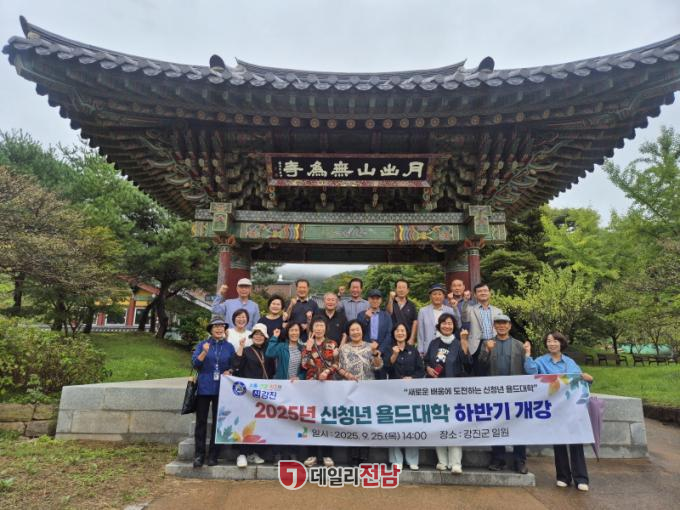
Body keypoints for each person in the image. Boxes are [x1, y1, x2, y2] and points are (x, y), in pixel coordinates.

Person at [524, 331, 594, 491]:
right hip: (554, 407)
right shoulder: (541, 361)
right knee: (559, 441)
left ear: (562, 343)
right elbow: (531, 372)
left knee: (576, 441)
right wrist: (527, 354)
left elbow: (579, 380)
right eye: (549, 341)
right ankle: (563, 476)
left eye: (555, 341)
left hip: (572, 407)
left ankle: (581, 478)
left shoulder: (570, 362)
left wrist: (589, 379)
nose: (552, 344)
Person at [478, 314, 528, 474]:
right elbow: (479, 367)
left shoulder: (519, 345)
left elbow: (527, 369)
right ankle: (498, 458)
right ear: (494, 326)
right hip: (494, 393)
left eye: (504, 323)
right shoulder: (487, 343)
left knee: (518, 426)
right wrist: (487, 351)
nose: (501, 326)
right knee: (497, 426)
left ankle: (520, 460)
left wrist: (529, 354)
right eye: (498, 323)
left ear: (509, 326)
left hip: (515, 393)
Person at [424, 313, 471, 474]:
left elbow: (467, 362)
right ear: (439, 326)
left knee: (454, 425)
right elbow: (426, 361)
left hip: (454, 391)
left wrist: (464, 341)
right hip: (436, 391)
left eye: (450, 323)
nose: (447, 326)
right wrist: (428, 368)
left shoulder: (458, 343)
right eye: (444, 323)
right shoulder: (434, 343)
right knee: (438, 424)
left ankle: (456, 462)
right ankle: (442, 461)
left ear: (454, 326)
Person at [191, 317, 235, 467]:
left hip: (222, 389)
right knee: (201, 422)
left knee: (219, 422)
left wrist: (230, 371)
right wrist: (204, 352)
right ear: (210, 329)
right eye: (216, 326)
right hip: (204, 387)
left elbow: (233, 365)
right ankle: (199, 455)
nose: (219, 329)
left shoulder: (229, 346)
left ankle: (213, 455)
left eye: (222, 326)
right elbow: (195, 364)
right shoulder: (202, 344)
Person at [338, 320, 383, 466]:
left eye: (357, 329)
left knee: (365, 421)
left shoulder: (371, 346)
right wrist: (347, 375)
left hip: (367, 390)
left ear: (362, 331)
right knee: (352, 421)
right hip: (349, 389)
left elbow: (378, 366)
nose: (355, 332)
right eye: (352, 330)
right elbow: (339, 367)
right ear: (348, 332)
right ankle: (352, 456)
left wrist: (375, 353)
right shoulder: (344, 348)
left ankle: (364, 456)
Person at [231, 323, 276, 468]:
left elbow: (272, 372)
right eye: (256, 334)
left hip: (263, 394)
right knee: (246, 422)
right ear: (252, 336)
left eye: (261, 334)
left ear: (265, 337)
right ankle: (242, 454)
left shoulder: (268, 353)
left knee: (259, 424)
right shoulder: (246, 350)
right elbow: (236, 366)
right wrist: (240, 347)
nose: (258, 337)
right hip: (248, 394)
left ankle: (253, 452)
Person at [384, 323, 424, 471]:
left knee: (411, 426)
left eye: (402, 330)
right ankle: (396, 459)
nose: (400, 333)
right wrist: (394, 355)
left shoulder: (413, 350)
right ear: (393, 333)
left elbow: (421, 370)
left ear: (406, 334)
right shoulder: (388, 349)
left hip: (411, 394)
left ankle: (412, 459)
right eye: (397, 330)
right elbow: (385, 368)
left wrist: (412, 378)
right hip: (393, 393)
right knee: (394, 426)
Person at [265, 322, 307, 463]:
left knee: (294, 421)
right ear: (288, 333)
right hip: (281, 388)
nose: (294, 333)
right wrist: (274, 338)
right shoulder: (282, 346)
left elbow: (306, 368)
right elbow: (269, 353)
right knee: (280, 420)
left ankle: (292, 452)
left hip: (297, 390)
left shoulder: (303, 348)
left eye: (296, 330)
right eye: (291, 330)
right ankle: (279, 453)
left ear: (300, 332)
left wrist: (299, 377)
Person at [301, 317, 339, 467]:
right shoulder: (307, 344)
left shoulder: (332, 343)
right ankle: (312, 455)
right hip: (311, 386)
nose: (318, 329)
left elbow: (337, 363)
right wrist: (308, 348)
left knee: (327, 420)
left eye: (321, 326)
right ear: (312, 328)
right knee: (312, 420)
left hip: (329, 385)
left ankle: (328, 455)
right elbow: (304, 365)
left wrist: (327, 371)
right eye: (316, 326)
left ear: (325, 328)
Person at [465, 282, 503, 375]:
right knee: (479, 372)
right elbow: (463, 317)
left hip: (494, 342)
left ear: (489, 293)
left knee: (496, 371)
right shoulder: (470, 309)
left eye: (485, 290)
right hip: (477, 344)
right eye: (480, 291)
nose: (483, 293)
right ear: (475, 295)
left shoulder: (498, 311)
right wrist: (465, 301)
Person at [417, 284, 456, 357]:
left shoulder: (450, 310)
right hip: (429, 347)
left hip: (447, 346)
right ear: (430, 296)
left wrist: (455, 308)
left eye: (440, 294)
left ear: (444, 296)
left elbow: (456, 327)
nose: (437, 296)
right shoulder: (423, 311)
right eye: (434, 294)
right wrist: (420, 350)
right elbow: (420, 333)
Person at [385, 279, 418, 345]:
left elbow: (415, 322)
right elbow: (388, 313)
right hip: (392, 339)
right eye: (399, 287)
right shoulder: (390, 302)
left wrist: (412, 338)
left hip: (407, 340)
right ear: (395, 289)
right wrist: (391, 299)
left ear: (407, 290)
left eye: (403, 287)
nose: (401, 290)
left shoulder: (411, 305)